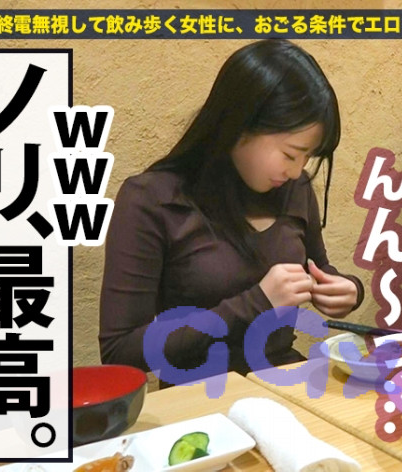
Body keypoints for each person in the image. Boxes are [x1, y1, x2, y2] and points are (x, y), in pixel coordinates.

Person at [100, 39, 363, 377]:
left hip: (286, 381)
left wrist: (348, 289)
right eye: (290, 154)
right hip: (201, 394)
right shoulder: (152, 199)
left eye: (307, 157)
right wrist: (256, 303)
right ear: (240, 125)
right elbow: (121, 352)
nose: (297, 171)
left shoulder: (294, 189)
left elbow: (318, 267)